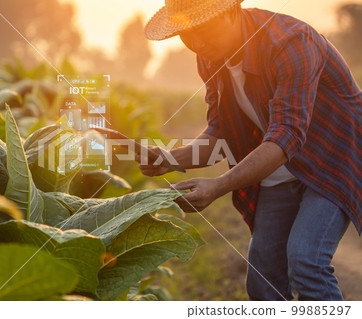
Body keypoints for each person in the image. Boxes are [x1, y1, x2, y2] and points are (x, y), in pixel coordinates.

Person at [136, 0, 362, 301]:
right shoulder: (210, 55)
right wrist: (168, 159)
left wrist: (218, 185)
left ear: (231, 12)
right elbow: (221, 133)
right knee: (262, 277)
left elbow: (287, 135)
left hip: (334, 157)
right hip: (280, 163)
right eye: (187, 34)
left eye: (204, 29)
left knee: (306, 262)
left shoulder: (291, 42)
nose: (198, 42)